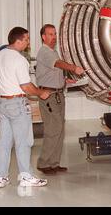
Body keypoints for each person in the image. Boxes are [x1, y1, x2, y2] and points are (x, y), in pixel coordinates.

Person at [0, 27, 50, 188]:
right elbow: (26, 86)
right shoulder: (19, 60)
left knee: (4, 142)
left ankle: (1, 177)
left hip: (2, 103)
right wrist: (40, 93)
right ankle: (26, 176)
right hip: (16, 104)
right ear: (18, 41)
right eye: (26, 39)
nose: (28, 42)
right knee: (23, 141)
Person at [36, 24, 84, 175]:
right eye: (50, 34)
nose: (54, 37)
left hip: (58, 94)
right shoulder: (45, 52)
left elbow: (54, 72)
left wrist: (65, 81)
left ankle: (54, 163)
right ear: (43, 37)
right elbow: (58, 64)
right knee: (53, 130)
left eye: (55, 34)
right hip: (49, 96)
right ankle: (43, 163)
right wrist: (73, 68)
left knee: (60, 130)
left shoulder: (52, 51)